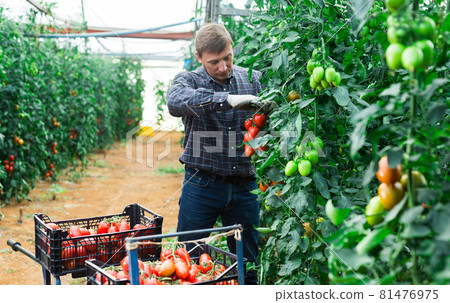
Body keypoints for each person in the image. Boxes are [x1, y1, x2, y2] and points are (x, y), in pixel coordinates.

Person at [166, 23, 273, 285]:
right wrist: (225, 99)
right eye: (214, 62)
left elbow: (277, 109)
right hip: (202, 184)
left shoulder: (254, 79)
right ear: (199, 57)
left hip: (244, 187)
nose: (223, 67)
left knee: (246, 263)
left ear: (233, 49)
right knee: (189, 259)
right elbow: (175, 101)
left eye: (228, 58)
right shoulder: (189, 80)